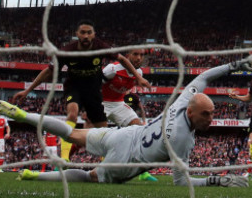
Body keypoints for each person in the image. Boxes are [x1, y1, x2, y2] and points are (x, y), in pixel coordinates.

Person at [0, 52, 252, 187]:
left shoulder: (182, 102)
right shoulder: (182, 140)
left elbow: (203, 77)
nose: (211, 119)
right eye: (207, 114)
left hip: (124, 135)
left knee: (73, 134)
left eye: (213, 114)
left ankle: (24, 116)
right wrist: (217, 181)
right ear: (192, 113)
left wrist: (235, 65)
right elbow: (181, 183)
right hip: (126, 161)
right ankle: (34, 176)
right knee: (90, 177)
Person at [12, 19, 150, 161]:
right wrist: (27, 90)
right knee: (72, 113)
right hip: (74, 87)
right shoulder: (67, 51)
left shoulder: (100, 46)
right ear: (77, 34)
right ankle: (64, 157)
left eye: (89, 33)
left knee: (103, 129)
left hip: (93, 90)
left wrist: (137, 77)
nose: (86, 36)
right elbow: (48, 71)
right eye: (83, 32)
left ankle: (104, 163)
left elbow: (121, 58)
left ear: (94, 34)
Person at [101, 48, 156, 181]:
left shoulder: (139, 72)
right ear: (127, 56)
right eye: (135, 54)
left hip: (118, 104)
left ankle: (141, 172)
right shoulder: (112, 69)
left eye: (141, 55)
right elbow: (94, 85)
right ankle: (64, 161)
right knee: (89, 131)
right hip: (101, 102)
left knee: (138, 129)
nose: (139, 58)